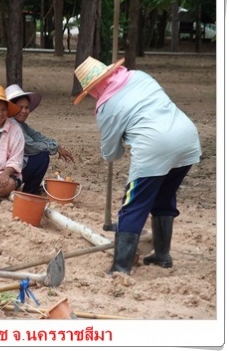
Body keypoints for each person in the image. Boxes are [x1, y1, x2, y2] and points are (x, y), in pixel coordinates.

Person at [73, 56, 201, 275]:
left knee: (133, 205)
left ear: (92, 89)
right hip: (187, 139)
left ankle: (120, 268)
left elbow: (111, 153)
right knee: (163, 198)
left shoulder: (106, 106)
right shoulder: (139, 76)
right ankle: (162, 255)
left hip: (154, 146)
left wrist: (122, 141)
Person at [5, 84, 75, 195]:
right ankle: (30, 191)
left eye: (26, 107)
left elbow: (37, 136)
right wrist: (54, 148)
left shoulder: (19, 123)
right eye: (20, 107)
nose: (24, 111)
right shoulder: (12, 124)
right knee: (42, 157)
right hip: (6, 169)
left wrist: (56, 145)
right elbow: (31, 146)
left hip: (11, 166)